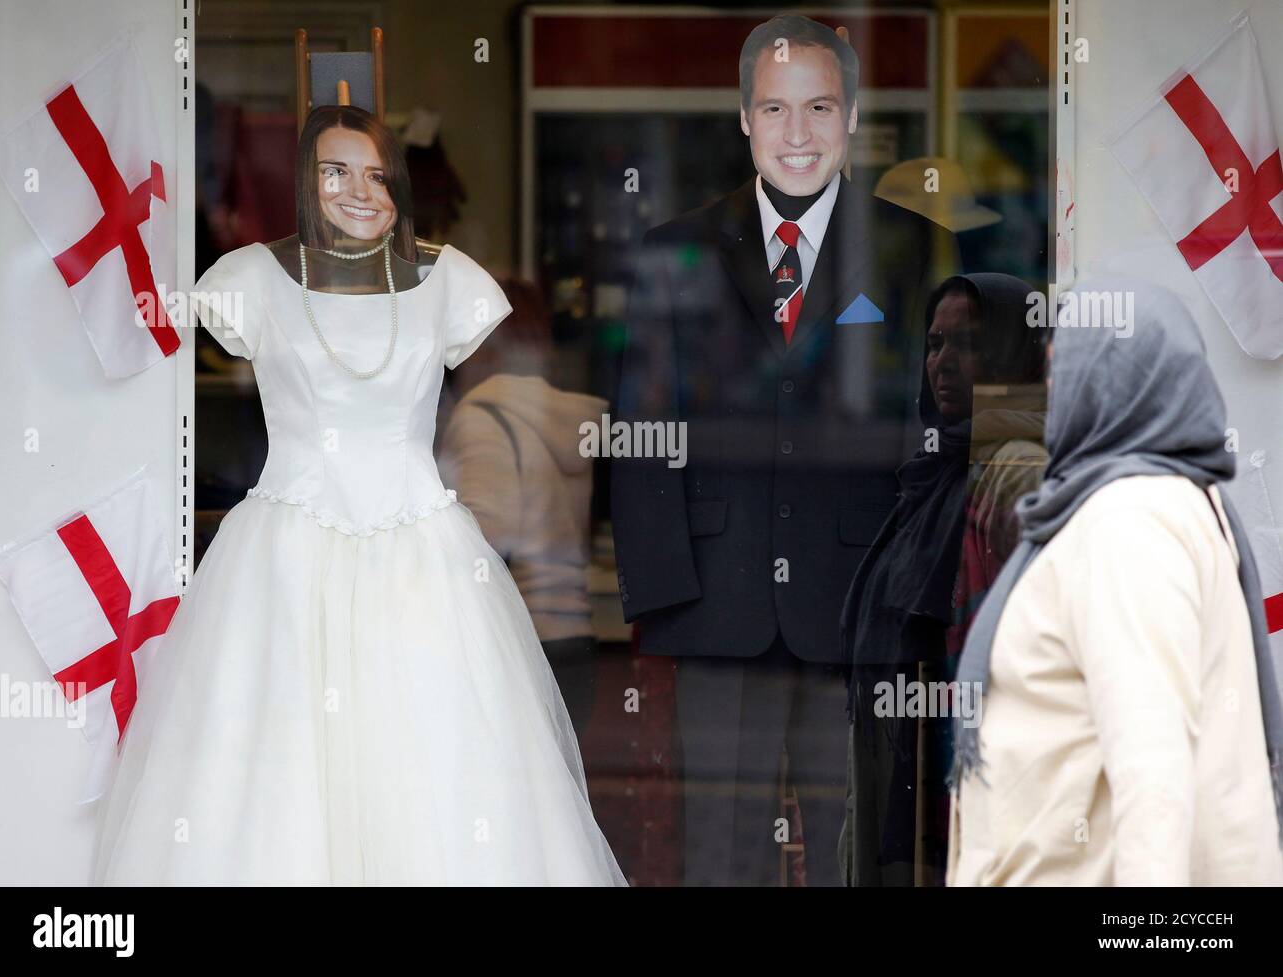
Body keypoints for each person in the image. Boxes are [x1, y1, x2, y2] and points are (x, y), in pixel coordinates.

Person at [92, 105, 626, 885]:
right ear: (304, 183)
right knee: (273, 776)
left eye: (377, 174)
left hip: (420, 553)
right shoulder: (245, 281)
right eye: (335, 171)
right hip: (286, 550)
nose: (358, 190)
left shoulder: (452, 283)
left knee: (433, 765)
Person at [610, 14, 954, 884]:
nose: (797, 135)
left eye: (818, 108)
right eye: (775, 110)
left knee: (860, 849)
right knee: (722, 857)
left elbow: (932, 435)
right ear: (743, 118)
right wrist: (663, 598)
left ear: (850, 114)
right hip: (716, 607)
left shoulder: (909, 248)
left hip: (857, 612)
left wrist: (912, 597)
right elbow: (640, 436)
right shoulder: (673, 250)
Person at [948, 276, 1283, 885]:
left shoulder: (1130, 520)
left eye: (1064, 370)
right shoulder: (1164, 500)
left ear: (1115, 382)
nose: (1051, 392)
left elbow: (1153, 772)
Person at [840, 274, 1045, 886]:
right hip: (909, 778)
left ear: (1012, 349)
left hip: (968, 793)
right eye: (934, 344)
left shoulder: (1019, 472)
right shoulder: (932, 475)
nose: (944, 363)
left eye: (969, 343)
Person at [438, 278, 608, 739]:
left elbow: (488, 536)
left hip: (518, 645)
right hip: (576, 642)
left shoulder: (481, 416)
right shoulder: (574, 418)